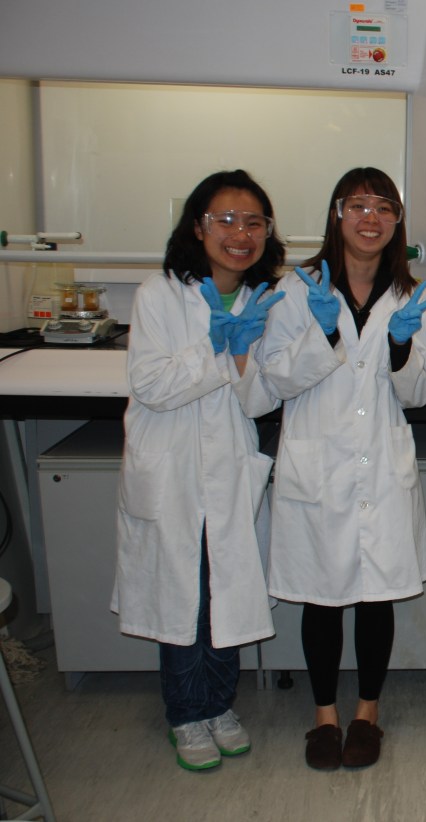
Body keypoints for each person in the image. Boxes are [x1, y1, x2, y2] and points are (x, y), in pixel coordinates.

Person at [255, 167, 426, 772]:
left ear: (397, 221)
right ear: (337, 214)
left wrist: (399, 347)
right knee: (322, 596)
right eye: (358, 204)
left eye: (384, 206)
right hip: (319, 465)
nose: (371, 217)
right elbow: (276, 379)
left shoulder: (411, 296)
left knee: (375, 599)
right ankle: (323, 717)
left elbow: (419, 394)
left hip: (381, 468)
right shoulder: (294, 290)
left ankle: (367, 712)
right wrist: (317, 327)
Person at [112, 169, 285, 771]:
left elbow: (260, 399)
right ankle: (187, 714)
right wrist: (217, 347)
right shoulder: (160, 293)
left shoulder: (264, 299)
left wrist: (245, 355)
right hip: (174, 471)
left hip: (229, 470)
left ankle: (220, 705)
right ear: (198, 227)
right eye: (226, 220)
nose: (241, 234)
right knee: (184, 596)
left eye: (254, 222)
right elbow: (153, 385)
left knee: (227, 590)